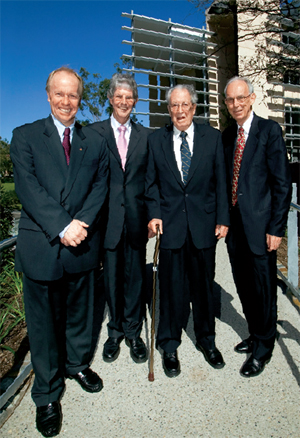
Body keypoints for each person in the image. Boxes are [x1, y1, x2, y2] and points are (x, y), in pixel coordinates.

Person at [10, 67, 109, 437]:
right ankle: (47, 394)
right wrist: (62, 225)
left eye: (73, 95)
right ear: (48, 95)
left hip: (81, 243)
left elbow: (101, 184)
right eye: (60, 94)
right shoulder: (25, 136)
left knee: (81, 316)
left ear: (80, 99)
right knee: (44, 325)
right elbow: (28, 188)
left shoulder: (93, 141)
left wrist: (80, 222)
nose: (67, 102)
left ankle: (77, 364)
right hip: (44, 245)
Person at [145, 84, 230, 378]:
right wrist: (154, 214)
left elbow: (221, 181)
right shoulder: (157, 140)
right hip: (170, 227)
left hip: (204, 226)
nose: (179, 111)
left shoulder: (212, 138)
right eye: (173, 106)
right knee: (171, 290)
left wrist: (223, 218)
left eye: (184, 105)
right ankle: (169, 345)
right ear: (168, 110)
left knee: (204, 289)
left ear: (194, 108)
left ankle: (207, 341)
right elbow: (151, 183)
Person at [222, 76, 292, 378]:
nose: (236, 104)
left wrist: (277, 228)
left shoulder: (269, 131)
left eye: (241, 98)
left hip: (263, 227)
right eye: (230, 100)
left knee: (264, 288)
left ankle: (264, 347)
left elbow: (281, 184)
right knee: (244, 286)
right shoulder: (227, 136)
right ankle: (255, 332)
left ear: (251, 98)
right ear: (226, 104)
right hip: (235, 229)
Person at [91, 74, 150, 364]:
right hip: (108, 221)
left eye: (129, 97)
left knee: (136, 278)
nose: (124, 102)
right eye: (119, 97)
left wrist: (154, 217)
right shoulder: (93, 133)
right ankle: (114, 332)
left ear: (135, 102)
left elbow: (152, 182)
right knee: (112, 279)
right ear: (111, 99)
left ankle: (133, 332)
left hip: (138, 220)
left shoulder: (146, 136)